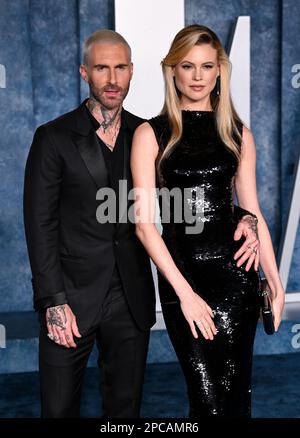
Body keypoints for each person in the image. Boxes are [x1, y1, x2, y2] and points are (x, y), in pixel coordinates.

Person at [23, 29, 259, 418]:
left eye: (120, 68)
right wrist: (53, 302)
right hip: (72, 299)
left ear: (132, 72)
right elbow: (39, 224)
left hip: (131, 298)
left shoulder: (149, 133)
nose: (112, 79)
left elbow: (190, 201)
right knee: (59, 409)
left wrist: (245, 218)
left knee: (125, 412)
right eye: (102, 68)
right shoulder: (53, 138)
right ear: (85, 72)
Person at [131, 24, 285, 418]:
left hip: (237, 279)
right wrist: (184, 294)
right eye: (187, 66)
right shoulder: (151, 134)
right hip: (183, 280)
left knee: (236, 398)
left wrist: (276, 281)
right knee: (206, 403)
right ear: (173, 71)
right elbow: (146, 226)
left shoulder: (238, 134)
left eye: (206, 66)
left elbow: (252, 210)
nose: (197, 76)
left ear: (219, 71)